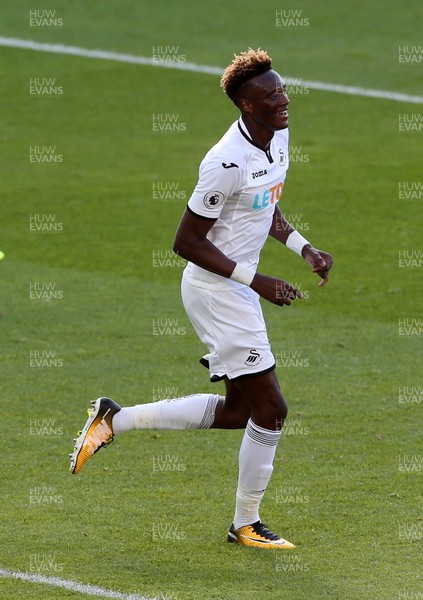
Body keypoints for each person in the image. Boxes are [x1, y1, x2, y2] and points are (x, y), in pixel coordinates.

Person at [70, 48, 333, 550]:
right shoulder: (223, 162)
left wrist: (304, 248)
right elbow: (186, 243)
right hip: (217, 291)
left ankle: (114, 419)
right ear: (246, 105)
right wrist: (258, 281)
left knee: (242, 411)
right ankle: (246, 524)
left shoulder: (277, 136)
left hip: (238, 288)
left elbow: (265, 207)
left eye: (282, 89)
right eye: (272, 95)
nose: (285, 100)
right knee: (272, 410)